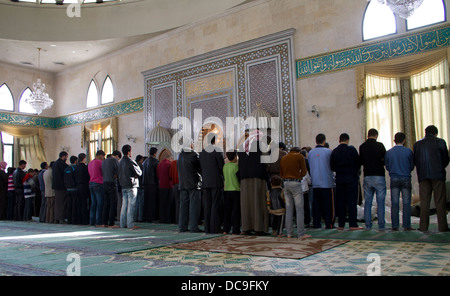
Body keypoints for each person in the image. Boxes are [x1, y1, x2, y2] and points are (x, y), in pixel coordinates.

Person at [413, 125, 449, 232]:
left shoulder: (417, 144)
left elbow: (415, 161)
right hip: (438, 175)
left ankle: (423, 227)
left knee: (424, 202)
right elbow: (446, 160)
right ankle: (442, 227)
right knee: (440, 201)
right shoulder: (440, 142)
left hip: (423, 176)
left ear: (425, 133)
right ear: (436, 133)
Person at [237, 130, 270, 236]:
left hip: (244, 178)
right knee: (258, 202)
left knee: (246, 203)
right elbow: (266, 161)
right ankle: (259, 228)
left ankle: (246, 228)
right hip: (258, 177)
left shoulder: (243, 146)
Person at [330, 133, 363, 230]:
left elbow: (332, 166)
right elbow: (358, 163)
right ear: (347, 140)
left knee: (341, 202)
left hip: (340, 179)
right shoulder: (352, 150)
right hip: (351, 179)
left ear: (339, 140)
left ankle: (341, 224)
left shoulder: (335, 151)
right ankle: (353, 224)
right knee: (352, 202)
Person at [385, 132, 415, 231]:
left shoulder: (389, 152)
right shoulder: (408, 151)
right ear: (404, 140)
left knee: (395, 202)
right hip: (406, 177)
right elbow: (411, 166)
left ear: (394, 140)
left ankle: (395, 226)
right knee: (406, 203)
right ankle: (406, 225)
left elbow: (387, 166)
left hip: (394, 178)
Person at [280, 146, 311, 238]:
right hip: (296, 183)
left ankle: (289, 233)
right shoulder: (299, 156)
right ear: (298, 152)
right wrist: (299, 176)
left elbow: (281, 173)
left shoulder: (284, 158)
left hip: (286, 183)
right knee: (299, 209)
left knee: (289, 209)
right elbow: (304, 171)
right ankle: (301, 233)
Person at [359, 128, 387, 230]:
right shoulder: (380, 146)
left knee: (368, 202)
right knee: (380, 202)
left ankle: (368, 225)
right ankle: (381, 225)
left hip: (367, 176)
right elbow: (385, 159)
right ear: (376, 136)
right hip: (379, 176)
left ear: (368, 135)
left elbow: (361, 161)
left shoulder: (362, 147)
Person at [308, 134, 335, 229]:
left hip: (315, 183)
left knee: (316, 205)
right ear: (324, 141)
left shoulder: (310, 152)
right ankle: (329, 224)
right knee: (328, 205)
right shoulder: (328, 152)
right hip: (327, 183)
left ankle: (316, 223)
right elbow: (332, 166)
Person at [199, 135, 225, 234]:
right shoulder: (217, 151)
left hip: (205, 182)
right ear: (215, 141)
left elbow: (200, 167)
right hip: (215, 182)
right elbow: (221, 167)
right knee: (215, 205)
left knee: (207, 205)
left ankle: (207, 228)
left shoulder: (202, 153)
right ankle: (215, 228)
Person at [177, 140, 203, 233]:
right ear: (190, 144)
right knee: (194, 207)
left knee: (183, 207)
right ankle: (193, 227)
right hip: (193, 184)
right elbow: (200, 168)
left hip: (183, 184)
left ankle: (182, 227)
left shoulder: (180, 155)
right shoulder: (193, 155)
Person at [118, 144, 142, 229]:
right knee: (131, 205)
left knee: (124, 205)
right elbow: (139, 172)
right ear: (129, 152)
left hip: (123, 185)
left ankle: (122, 223)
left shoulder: (120, 162)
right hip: (131, 185)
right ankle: (130, 224)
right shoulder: (130, 161)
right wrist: (135, 175)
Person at [222, 151, 241, 235]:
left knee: (227, 211)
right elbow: (239, 178)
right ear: (235, 157)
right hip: (236, 190)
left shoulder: (225, 166)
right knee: (235, 211)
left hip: (226, 190)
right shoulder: (236, 167)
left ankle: (226, 229)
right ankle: (235, 230)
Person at [102, 150, 121, 228]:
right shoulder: (114, 160)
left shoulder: (104, 161)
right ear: (117, 156)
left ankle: (104, 222)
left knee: (106, 203)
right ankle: (111, 223)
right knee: (113, 204)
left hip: (105, 183)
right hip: (112, 183)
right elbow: (118, 171)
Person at [88, 150, 105, 226]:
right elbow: (103, 172)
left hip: (91, 183)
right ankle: (98, 221)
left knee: (93, 203)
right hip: (98, 183)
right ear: (100, 155)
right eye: (103, 157)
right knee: (100, 203)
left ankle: (92, 221)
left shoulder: (90, 163)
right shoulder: (100, 163)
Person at [142, 147, 159, 222]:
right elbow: (157, 174)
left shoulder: (145, 161)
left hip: (145, 184)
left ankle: (146, 217)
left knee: (146, 201)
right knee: (152, 201)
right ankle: (152, 217)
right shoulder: (155, 161)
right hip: (152, 184)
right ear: (155, 153)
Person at [157, 151, 174, 224]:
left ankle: (162, 218)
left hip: (161, 186)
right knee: (168, 203)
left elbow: (157, 175)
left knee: (162, 203)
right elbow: (171, 175)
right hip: (168, 186)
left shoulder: (159, 165)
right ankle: (168, 219)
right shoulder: (169, 164)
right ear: (170, 158)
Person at [53, 151, 69, 224]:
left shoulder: (55, 164)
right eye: (66, 157)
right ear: (64, 156)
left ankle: (57, 217)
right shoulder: (62, 164)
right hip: (61, 186)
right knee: (62, 203)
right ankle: (61, 218)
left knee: (57, 203)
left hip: (56, 186)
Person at [74, 153, 90, 225]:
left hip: (77, 186)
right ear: (84, 158)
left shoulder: (76, 167)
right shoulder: (84, 167)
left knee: (79, 203)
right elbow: (87, 177)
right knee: (84, 203)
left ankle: (78, 219)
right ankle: (84, 220)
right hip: (84, 186)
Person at [65, 156, 78, 224]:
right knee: (74, 205)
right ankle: (74, 219)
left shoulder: (67, 168)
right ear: (76, 161)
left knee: (69, 204)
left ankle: (69, 219)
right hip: (74, 188)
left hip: (67, 188)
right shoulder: (74, 168)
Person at [169, 157, 180, 224]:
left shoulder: (173, 163)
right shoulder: (183, 162)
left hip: (175, 185)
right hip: (183, 184)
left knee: (177, 203)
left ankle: (177, 219)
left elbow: (170, 175)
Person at [135, 155, 145, 222]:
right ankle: (140, 218)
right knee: (140, 203)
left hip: (135, 186)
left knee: (136, 202)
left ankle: (135, 217)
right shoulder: (140, 166)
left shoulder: (134, 165)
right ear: (141, 160)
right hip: (140, 186)